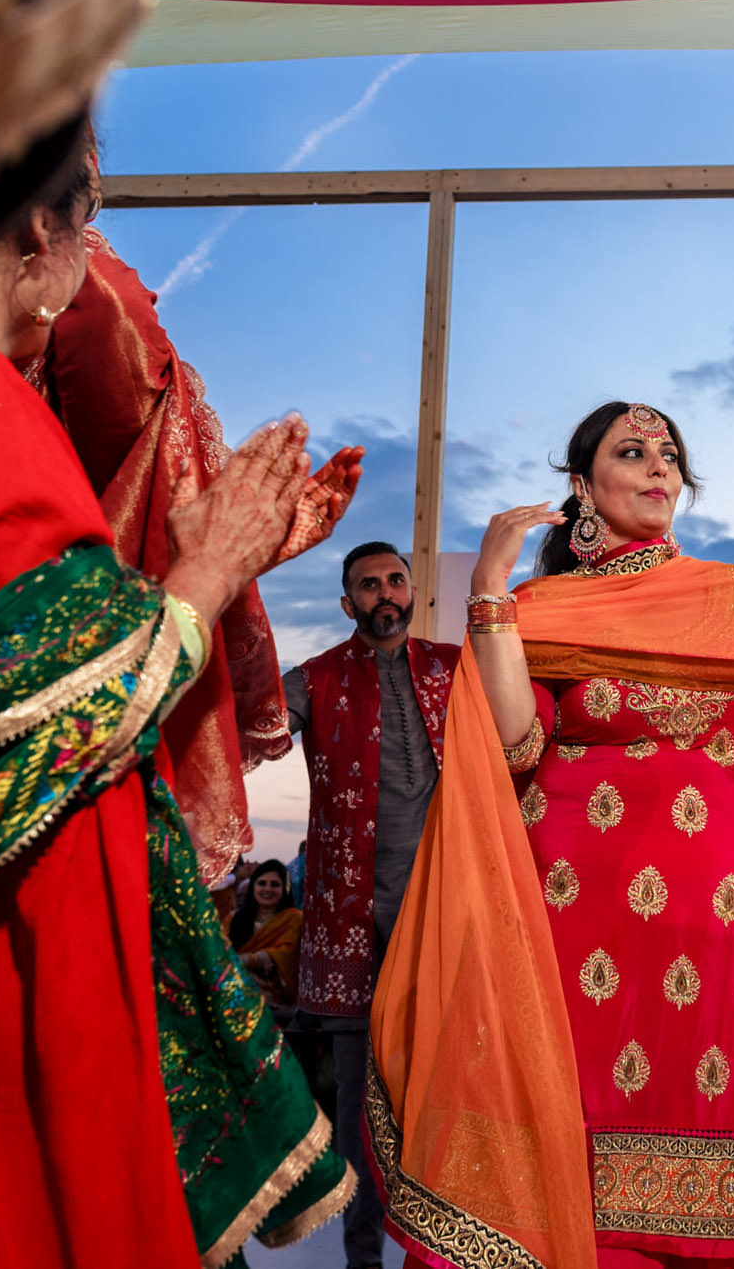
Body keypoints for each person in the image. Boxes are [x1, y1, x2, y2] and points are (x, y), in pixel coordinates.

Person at [0, 113, 353, 1269]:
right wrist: (210, 568)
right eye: (91, 223)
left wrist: (185, 573)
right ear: (43, 231)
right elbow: (81, 708)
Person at [368, 401, 734, 1269]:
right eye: (632, 452)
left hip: (722, 922)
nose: (660, 467)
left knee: (714, 1156)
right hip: (573, 920)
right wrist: (491, 602)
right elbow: (513, 746)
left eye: (670, 454)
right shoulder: (543, 607)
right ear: (583, 486)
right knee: (566, 1145)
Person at [39, 227, 361, 884]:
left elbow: (135, 537)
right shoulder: (92, 313)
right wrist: (219, 561)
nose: (150, 294)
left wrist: (241, 547)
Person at [283, 539, 458, 1269]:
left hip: (447, 910)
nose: (385, 594)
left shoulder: (455, 669)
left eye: (395, 581)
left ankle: (445, 1246)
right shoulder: (316, 679)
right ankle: (363, 1258)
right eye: (368, 586)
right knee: (358, 1098)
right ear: (346, 601)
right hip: (352, 914)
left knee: (450, 1085)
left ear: (412, 589)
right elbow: (250, 729)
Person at [230, 859, 304, 1014]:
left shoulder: (294, 919)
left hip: (274, 994)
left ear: (286, 889)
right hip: (234, 985)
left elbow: (287, 954)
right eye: (262, 883)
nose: (267, 889)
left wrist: (243, 961)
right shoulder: (234, 919)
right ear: (253, 887)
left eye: (275, 884)